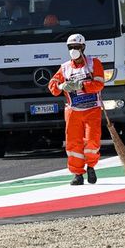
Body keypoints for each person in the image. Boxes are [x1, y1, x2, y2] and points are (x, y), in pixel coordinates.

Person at [48, 33, 105, 185]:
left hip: (92, 109)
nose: (74, 50)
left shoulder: (94, 64)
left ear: (83, 48)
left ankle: (91, 167)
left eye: (77, 47)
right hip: (73, 111)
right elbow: (52, 87)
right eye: (71, 47)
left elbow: (99, 84)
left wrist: (82, 85)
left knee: (92, 140)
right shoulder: (65, 68)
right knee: (73, 143)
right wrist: (61, 86)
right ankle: (77, 174)